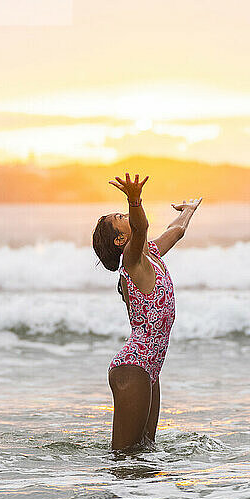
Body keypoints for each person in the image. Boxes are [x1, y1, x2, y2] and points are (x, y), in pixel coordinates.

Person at [92, 172, 202, 451]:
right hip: (134, 367)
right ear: (120, 241)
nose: (126, 215)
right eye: (120, 217)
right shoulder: (131, 260)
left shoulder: (150, 253)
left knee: (145, 453)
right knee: (124, 457)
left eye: (123, 212)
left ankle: (143, 498)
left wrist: (188, 211)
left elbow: (176, 231)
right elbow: (141, 228)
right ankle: (108, 495)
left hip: (150, 369)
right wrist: (134, 200)